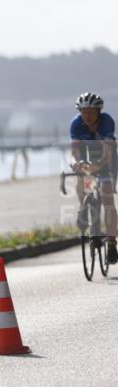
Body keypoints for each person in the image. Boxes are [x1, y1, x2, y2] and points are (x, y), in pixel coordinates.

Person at [69, 92, 117, 264]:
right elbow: (74, 152)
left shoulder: (106, 122)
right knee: (81, 178)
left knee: (107, 197)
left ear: (99, 111)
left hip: (105, 155)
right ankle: (83, 208)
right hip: (85, 153)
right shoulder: (76, 124)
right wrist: (76, 163)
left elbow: (107, 152)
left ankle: (112, 242)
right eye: (84, 112)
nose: (87, 116)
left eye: (91, 112)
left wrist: (99, 166)